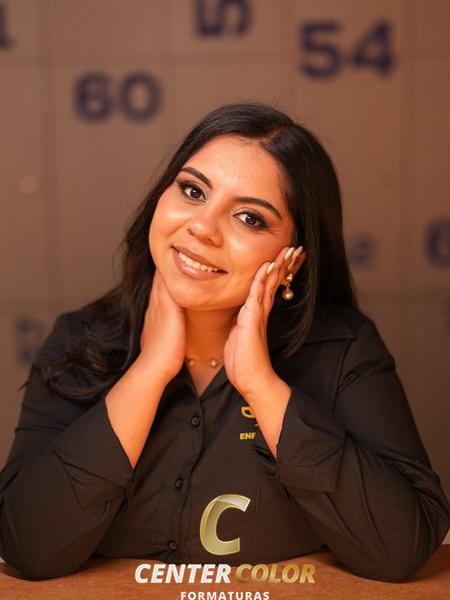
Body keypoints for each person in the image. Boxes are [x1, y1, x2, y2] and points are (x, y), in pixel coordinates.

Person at [0, 102, 449, 583]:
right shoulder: (80, 339)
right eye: (192, 191)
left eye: (249, 218)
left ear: (293, 259)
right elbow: (28, 547)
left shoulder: (343, 348)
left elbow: (401, 548)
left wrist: (261, 385)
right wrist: (151, 370)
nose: (202, 228)